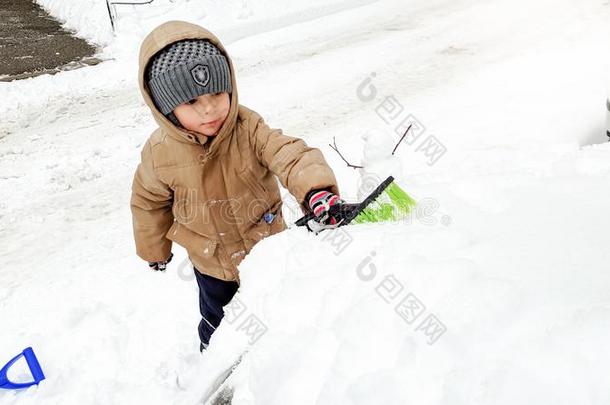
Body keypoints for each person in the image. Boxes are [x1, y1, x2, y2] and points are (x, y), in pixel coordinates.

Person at [130, 20, 343, 352]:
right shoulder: (159, 154)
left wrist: (316, 190)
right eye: (191, 102)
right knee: (217, 321)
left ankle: (276, 356)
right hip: (211, 263)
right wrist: (154, 250)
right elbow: (148, 202)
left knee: (275, 310)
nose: (210, 108)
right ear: (166, 109)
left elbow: (288, 154)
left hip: (266, 250)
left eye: (217, 92)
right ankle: (212, 361)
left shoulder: (248, 128)